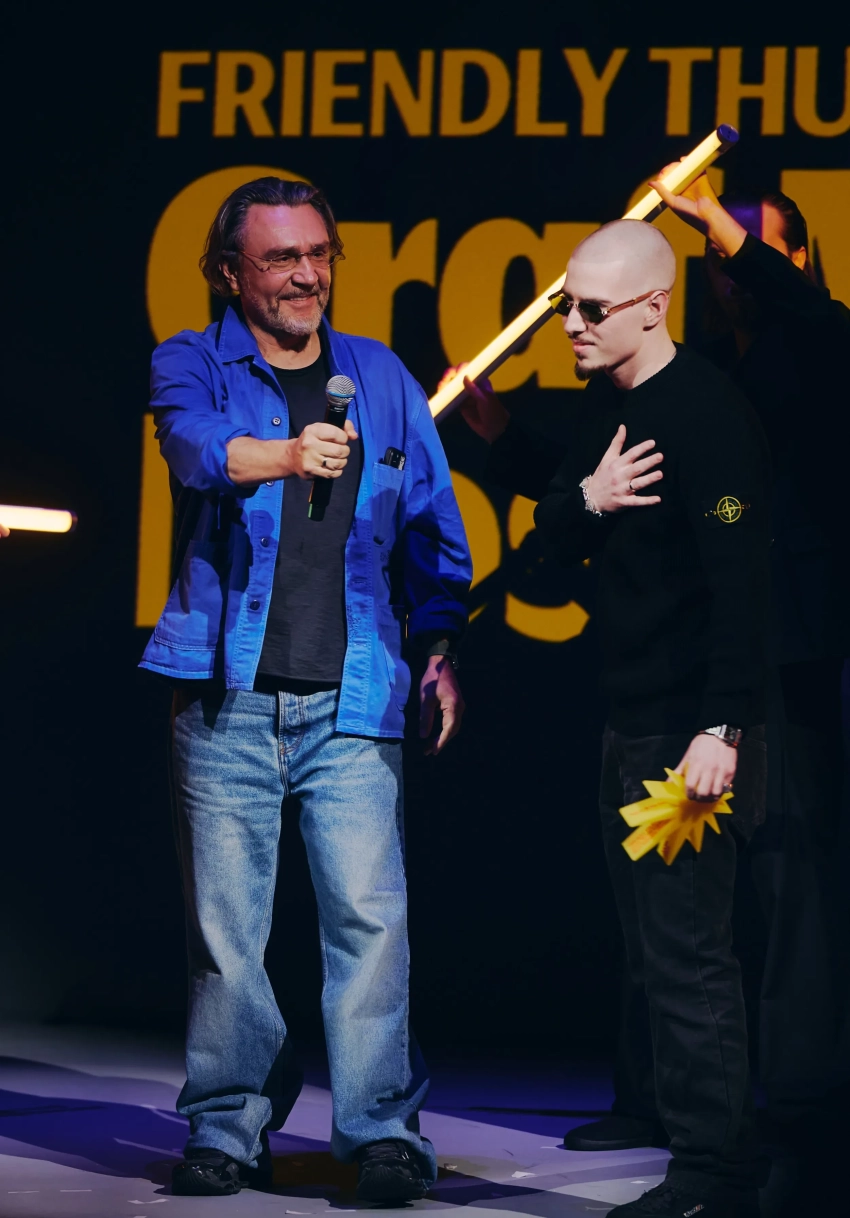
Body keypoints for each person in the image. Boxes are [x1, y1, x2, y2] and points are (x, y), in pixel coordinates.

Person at [140, 177, 471, 1202]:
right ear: (228, 272)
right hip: (225, 698)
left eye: (319, 253)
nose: (306, 275)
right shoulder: (191, 361)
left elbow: (433, 528)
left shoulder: (380, 377)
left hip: (354, 696)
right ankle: (228, 1125)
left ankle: (381, 1133)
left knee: (370, 925)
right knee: (227, 933)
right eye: (281, 257)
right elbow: (195, 449)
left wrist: (438, 647)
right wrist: (288, 455)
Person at [446, 218, 770, 1218]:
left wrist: (722, 728)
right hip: (631, 719)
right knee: (650, 946)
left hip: (686, 733)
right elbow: (561, 525)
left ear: (652, 307)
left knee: (687, 955)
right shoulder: (610, 408)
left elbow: (744, 575)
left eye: (590, 309)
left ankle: (715, 1175)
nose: (571, 325)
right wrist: (565, 483)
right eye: (564, 306)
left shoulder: (706, 415)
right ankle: (661, 1117)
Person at [650, 173, 850, 1206]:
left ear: (792, 260)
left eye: (741, 256)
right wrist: (499, 441)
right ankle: (688, 1106)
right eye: (714, 263)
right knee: (694, 878)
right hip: (720, 662)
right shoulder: (708, 374)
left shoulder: (816, 343)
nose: (724, 273)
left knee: (798, 880)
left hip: (803, 662)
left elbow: (815, 322)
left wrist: (722, 227)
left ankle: (804, 1115)